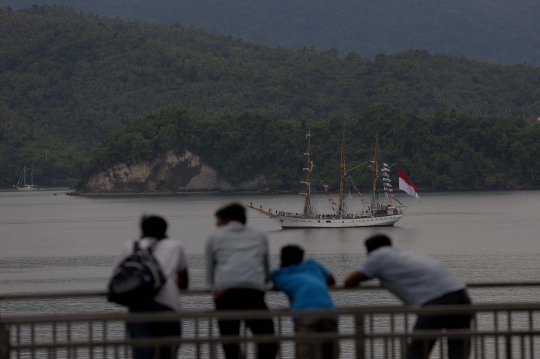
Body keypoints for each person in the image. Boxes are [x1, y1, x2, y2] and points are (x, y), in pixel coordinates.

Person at [344, 234, 471, 359]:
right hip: (460, 293)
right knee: (458, 346)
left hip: (436, 300)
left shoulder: (378, 256)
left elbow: (350, 281)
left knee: (418, 348)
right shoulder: (405, 255)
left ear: (368, 250)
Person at [110, 215, 189, 359]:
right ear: (166, 233)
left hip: (138, 308)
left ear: (142, 232)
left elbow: (116, 277)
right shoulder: (175, 246)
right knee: (168, 353)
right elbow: (184, 282)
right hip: (168, 306)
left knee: (142, 353)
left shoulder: (130, 247)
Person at [206, 203, 278, 359]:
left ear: (226, 220)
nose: (216, 225)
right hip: (253, 294)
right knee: (267, 339)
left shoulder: (214, 237)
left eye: (218, 221)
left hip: (225, 295)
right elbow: (266, 271)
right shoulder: (259, 236)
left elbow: (210, 276)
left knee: (230, 342)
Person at [271, 245, 338, 359]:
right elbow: (331, 280)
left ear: (281, 260)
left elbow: (273, 284)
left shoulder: (280, 275)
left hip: (305, 314)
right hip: (329, 312)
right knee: (330, 353)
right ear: (302, 258)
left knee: (306, 353)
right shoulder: (313, 265)